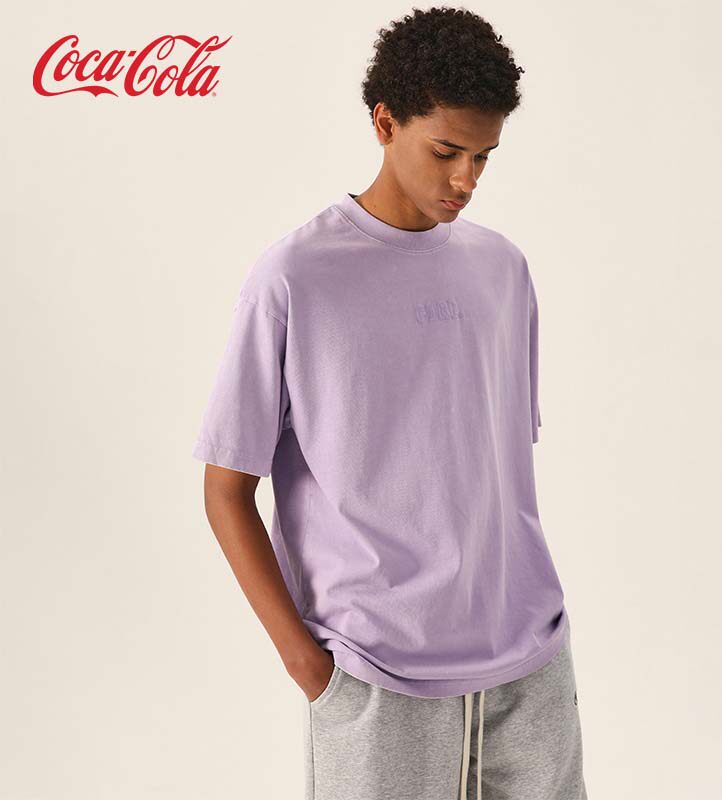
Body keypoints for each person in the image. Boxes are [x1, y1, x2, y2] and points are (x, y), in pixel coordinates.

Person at [192, 6, 588, 798]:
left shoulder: (502, 269)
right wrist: (310, 667)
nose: (466, 179)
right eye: (446, 151)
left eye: (484, 156)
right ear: (384, 123)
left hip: (529, 664)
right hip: (377, 675)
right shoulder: (296, 278)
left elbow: (490, 471)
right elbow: (226, 488)